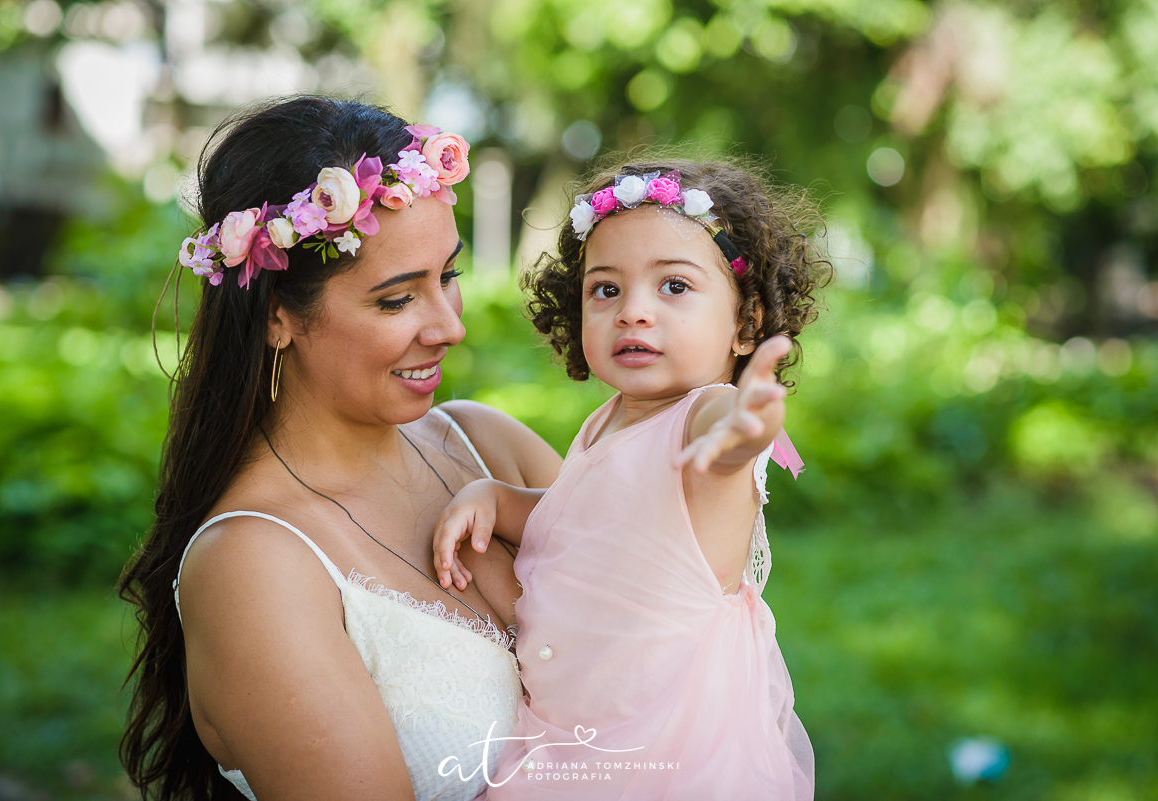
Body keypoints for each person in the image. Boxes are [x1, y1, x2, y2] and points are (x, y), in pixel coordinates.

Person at [118, 97, 561, 801]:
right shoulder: (254, 564)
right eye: (396, 300)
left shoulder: (487, 446)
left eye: (447, 276)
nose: (450, 326)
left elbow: (672, 594)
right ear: (277, 316)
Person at [432, 158, 826, 799]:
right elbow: (581, 521)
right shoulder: (609, 420)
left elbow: (722, 451)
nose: (633, 312)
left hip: (661, 743)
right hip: (572, 730)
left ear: (747, 323)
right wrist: (495, 497)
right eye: (606, 289)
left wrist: (744, 432)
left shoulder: (704, 416)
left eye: (674, 287)